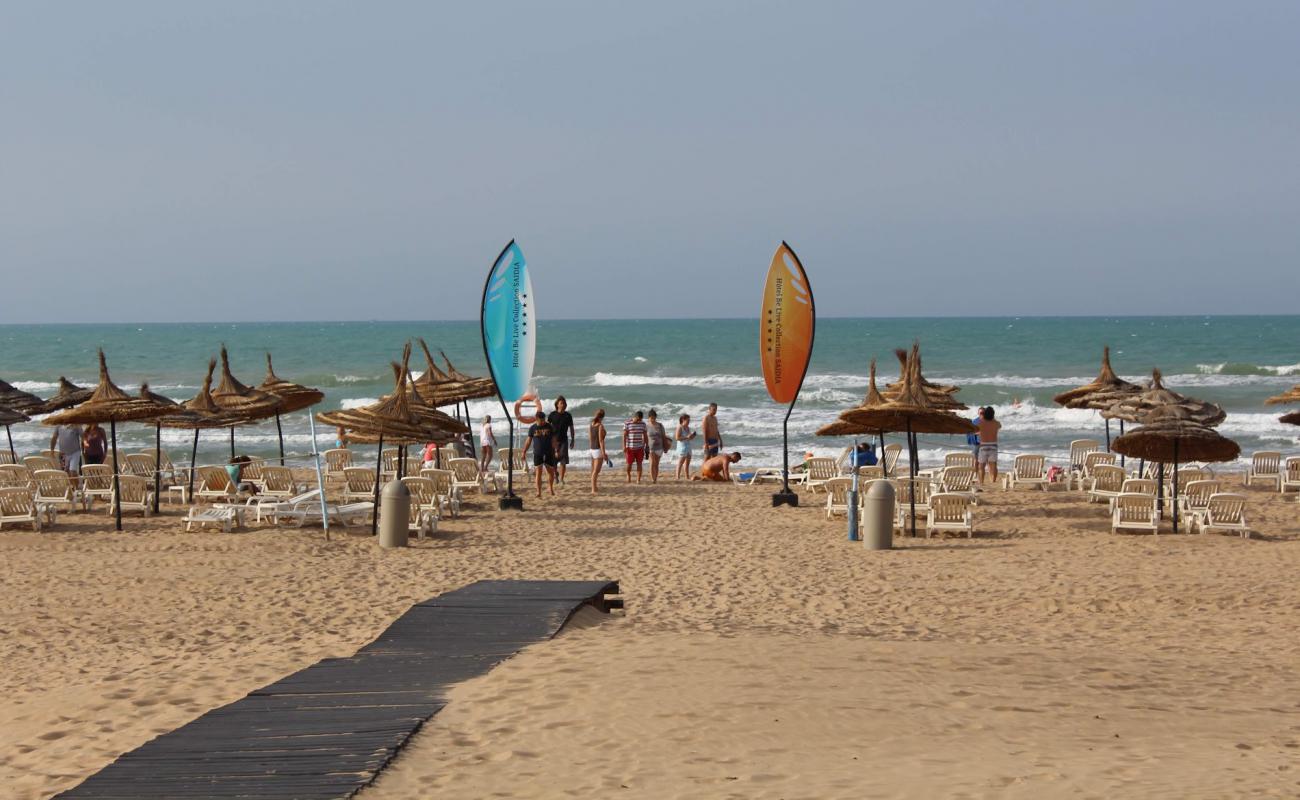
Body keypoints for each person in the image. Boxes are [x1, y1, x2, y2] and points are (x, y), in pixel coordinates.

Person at [517, 396, 557, 498]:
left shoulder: (549, 426)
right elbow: (528, 441)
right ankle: (538, 492)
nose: (543, 422)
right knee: (538, 473)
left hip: (549, 452)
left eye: (544, 420)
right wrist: (524, 452)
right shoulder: (532, 428)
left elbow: (553, 439)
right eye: (541, 420)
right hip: (538, 453)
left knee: (551, 473)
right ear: (537, 419)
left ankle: (551, 488)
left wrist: (556, 450)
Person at [548, 396, 576, 485]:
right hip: (553, 440)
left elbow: (571, 428)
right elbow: (547, 427)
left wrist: (573, 439)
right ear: (557, 404)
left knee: (563, 460)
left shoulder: (568, 415)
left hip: (564, 440)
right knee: (554, 461)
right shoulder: (552, 415)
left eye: (564, 403)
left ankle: (562, 479)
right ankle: (556, 475)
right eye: (561, 403)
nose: (563, 405)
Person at [976, 406, 1002, 485]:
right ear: (993, 415)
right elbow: (999, 426)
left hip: (983, 445)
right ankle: (993, 481)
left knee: (981, 466)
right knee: (993, 464)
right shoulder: (996, 423)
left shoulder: (980, 423)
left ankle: (981, 482)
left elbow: (976, 430)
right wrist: (993, 418)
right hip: (993, 445)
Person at [622, 410, 649, 484]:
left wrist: (647, 446)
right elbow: (624, 436)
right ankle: (628, 475)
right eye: (638, 419)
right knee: (629, 464)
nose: (639, 421)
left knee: (639, 463)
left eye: (640, 420)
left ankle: (638, 479)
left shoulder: (643, 424)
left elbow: (645, 435)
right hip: (630, 448)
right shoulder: (627, 423)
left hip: (640, 447)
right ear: (635, 417)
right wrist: (624, 446)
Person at [588, 408, 609, 494]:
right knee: (596, 471)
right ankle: (593, 489)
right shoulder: (600, 426)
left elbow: (590, 438)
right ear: (602, 417)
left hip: (592, 449)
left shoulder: (591, 424)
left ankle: (595, 487)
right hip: (597, 450)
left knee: (593, 470)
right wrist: (604, 453)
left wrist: (591, 450)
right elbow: (601, 441)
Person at [646, 409, 669, 484]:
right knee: (652, 462)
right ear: (648, 417)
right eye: (651, 417)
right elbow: (644, 437)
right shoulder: (646, 426)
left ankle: (655, 478)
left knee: (656, 464)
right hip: (650, 447)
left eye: (654, 418)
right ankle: (653, 479)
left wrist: (665, 447)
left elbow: (663, 436)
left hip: (660, 447)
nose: (652, 419)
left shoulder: (660, 425)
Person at [674, 413, 696, 480]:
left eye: (689, 421)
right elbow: (677, 438)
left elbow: (689, 438)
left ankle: (687, 476)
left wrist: (692, 436)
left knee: (687, 462)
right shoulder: (680, 427)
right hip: (682, 447)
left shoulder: (687, 428)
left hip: (688, 446)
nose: (689, 422)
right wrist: (686, 437)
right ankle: (677, 476)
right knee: (681, 462)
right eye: (688, 420)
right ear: (683, 420)